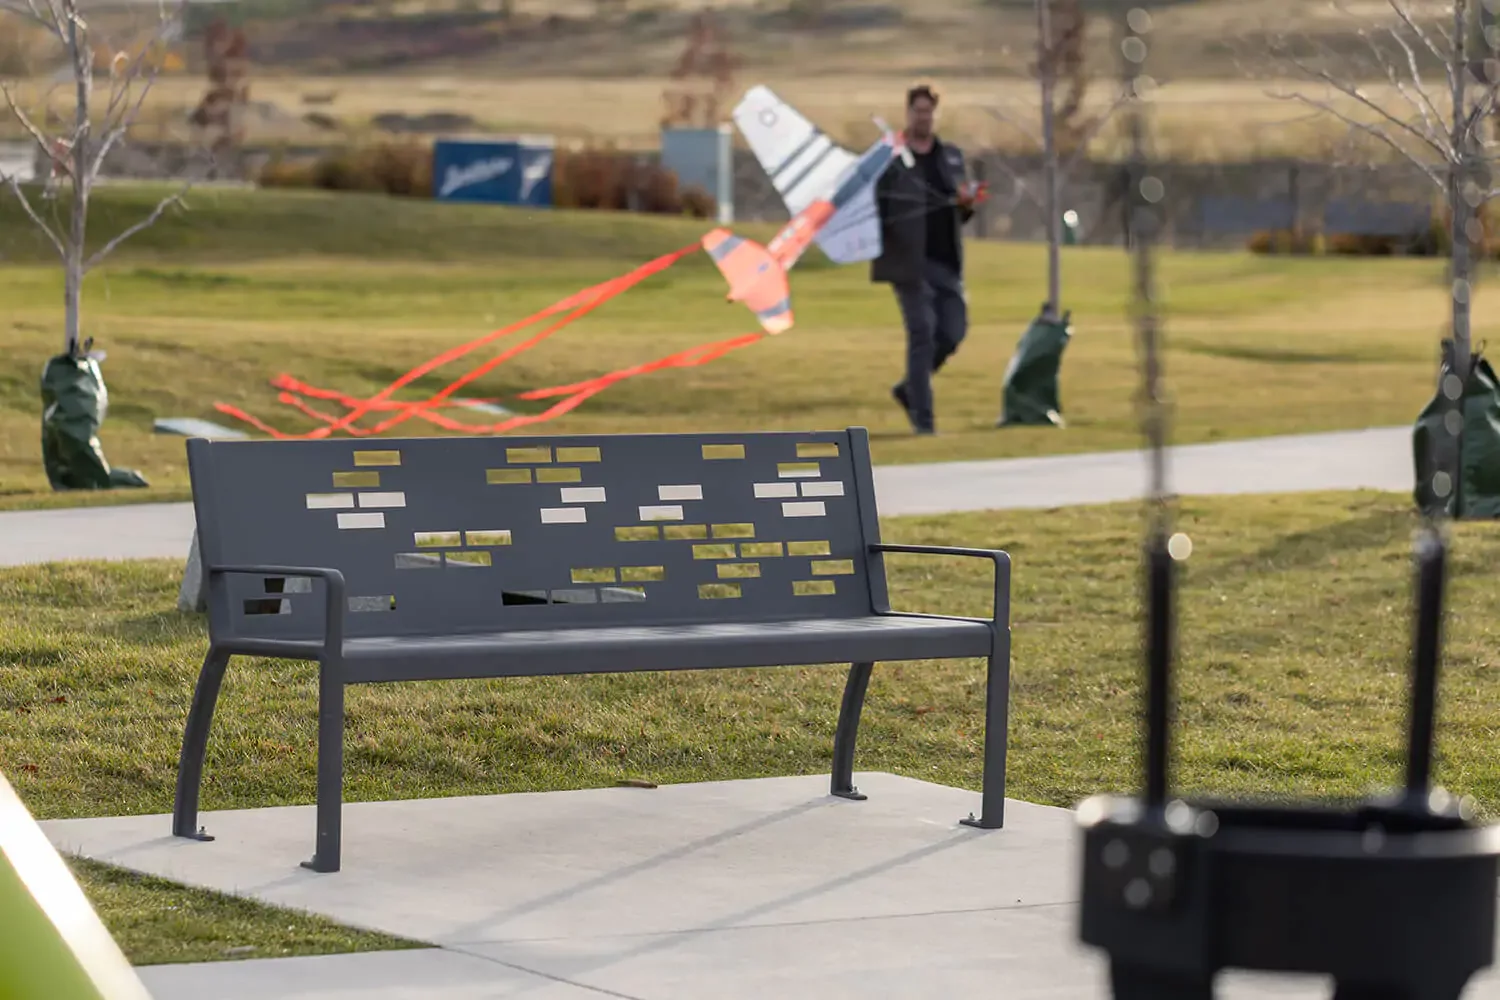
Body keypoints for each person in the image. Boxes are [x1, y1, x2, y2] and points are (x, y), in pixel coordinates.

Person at [871, 83, 981, 435]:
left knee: (952, 332)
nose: (924, 116)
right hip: (908, 263)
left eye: (929, 111)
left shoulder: (950, 157)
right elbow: (877, 208)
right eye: (918, 110)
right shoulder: (892, 159)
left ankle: (908, 389)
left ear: (935, 114)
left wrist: (967, 204)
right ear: (908, 113)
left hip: (946, 261)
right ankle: (924, 420)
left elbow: (959, 212)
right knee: (922, 333)